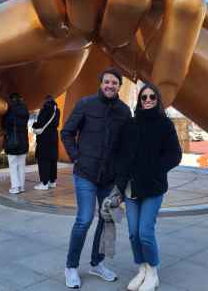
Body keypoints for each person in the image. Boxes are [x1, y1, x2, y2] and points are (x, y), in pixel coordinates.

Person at [61, 68, 131, 289]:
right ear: (101, 84)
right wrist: (76, 157)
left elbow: (126, 147)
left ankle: (96, 263)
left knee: (106, 219)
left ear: (119, 86)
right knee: (84, 219)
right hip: (85, 173)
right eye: (107, 82)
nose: (111, 86)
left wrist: (122, 178)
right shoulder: (86, 104)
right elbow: (67, 132)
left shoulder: (124, 111)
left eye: (115, 83)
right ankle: (71, 266)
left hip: (109, 177)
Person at [115, 83, 182, 291]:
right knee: (133, 233)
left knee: (145, 231)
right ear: (139, 100)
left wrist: (155, 169)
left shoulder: (165, 125)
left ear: (157, 100)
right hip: (130, 189)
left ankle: (153, 271)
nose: (148, 100)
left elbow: (175, 155)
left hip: (153, 187)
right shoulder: (131, 124)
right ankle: (142, 268)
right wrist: (119, 184)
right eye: (144, 97)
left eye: (152, 97)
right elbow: (122, 156)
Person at [3, 93, 30, 194]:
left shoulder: (10, 111)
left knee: (13, 166)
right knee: (21, 165)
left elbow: (4, 125)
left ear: (11, 100)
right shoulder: (25, 110)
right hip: (23, 141)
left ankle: (15, 187)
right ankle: (22, 186)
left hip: (12, 142)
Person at [32, 95, 60, 190]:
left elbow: (40, 123)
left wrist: (34, 125)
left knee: (43, 160)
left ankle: (44, 183)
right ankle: (52, 181)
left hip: (45, 137)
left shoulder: (45, 110)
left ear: (45, 101)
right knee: (53, 159)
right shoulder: (57, 110)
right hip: (54, 136)